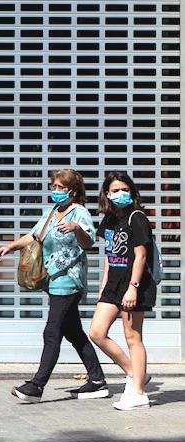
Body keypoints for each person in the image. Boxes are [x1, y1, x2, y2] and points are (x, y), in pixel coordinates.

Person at [0, 170, 108, 403]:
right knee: (73, 332)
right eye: (54, 186)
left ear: (72, 191)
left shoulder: (80, 213)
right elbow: (34, 236)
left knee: (52, 332)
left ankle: (36, 386)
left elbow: (89, 242)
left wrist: (77, 229)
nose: (55, 191)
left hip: (69, 281)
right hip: (53, 279)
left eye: (59, 187)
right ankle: (97, 381)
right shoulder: (52, 212)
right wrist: (11, 246)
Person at [87, 172, 157, 411]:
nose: (120, 194)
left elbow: (141, 255)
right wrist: (103, 285)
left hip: (134, 285)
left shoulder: (137, 217)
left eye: (124, 189)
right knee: (96, 332)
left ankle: (138, 393)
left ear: (132, 192)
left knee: (132, 337)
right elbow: (109, 255)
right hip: (113, 285)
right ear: (106, 194)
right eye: (115, 190)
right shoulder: (109, 220)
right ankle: (134, 372)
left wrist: (133, 288)